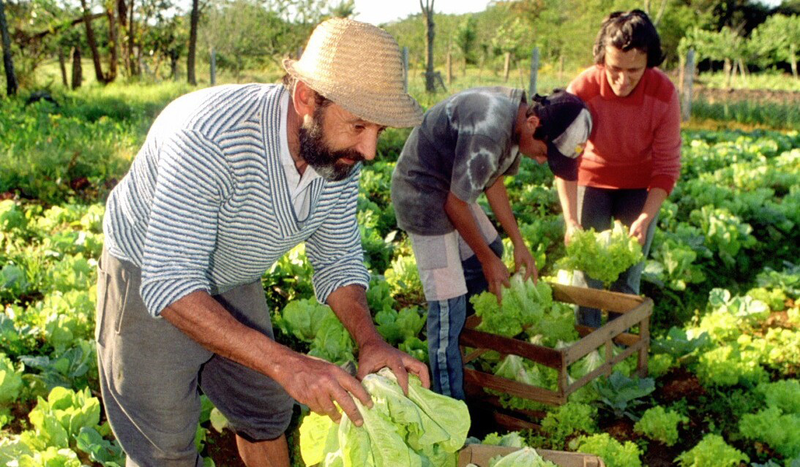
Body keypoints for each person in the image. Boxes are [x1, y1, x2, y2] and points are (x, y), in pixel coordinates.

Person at [95, 18, 429, 467]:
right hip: (149, 275)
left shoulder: (336, 156)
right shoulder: (209, 136)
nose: (369, 150)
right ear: (306, 97)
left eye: (379, 131)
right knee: (164, 449)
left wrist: (369, 341)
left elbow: (338, 260)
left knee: (267, 410)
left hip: (232, 271)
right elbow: (171, 283)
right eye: (358, 126)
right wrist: (287, 363)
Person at [391, 87, 592, 400]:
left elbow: (493, 180)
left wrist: (519, 244)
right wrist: (486, 260)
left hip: (451, 189)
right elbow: (455, 205)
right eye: (544, 152)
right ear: (534, 124)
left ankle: (465, 333)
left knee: (494, 251)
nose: (541, 161)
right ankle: (450, 405)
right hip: (423, 194)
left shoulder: (517, 120)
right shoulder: (492, 129)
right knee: (448, 306)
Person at [565, 10, 681, 327]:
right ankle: (586, 348)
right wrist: (571, 221)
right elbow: (565, 159)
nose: (622, 80)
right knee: (587, 276)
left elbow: (667, 165)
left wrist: (646, 217)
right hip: (592, 182)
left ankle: (622, 349)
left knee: (628, 276)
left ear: (649, 64)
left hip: (640, 187)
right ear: (602, 58)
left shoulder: (664, 93)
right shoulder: (582, 89)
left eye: (634, 71)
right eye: (615, 68)